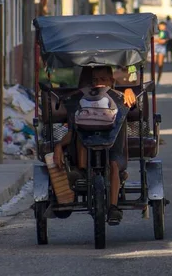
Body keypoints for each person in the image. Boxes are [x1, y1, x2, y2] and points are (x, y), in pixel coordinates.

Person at [53, 65, 136, 226]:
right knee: (80, 134)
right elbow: (72, 131)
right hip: (85, 148)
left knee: (113, 165)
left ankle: (113, 207)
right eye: (95, 80)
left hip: (113, 146)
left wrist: (129, 91)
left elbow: (132, 103)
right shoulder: (82, 99)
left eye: (103, 80)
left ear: (112, 81)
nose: (99, 84)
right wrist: (58, 146)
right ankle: (81, 174)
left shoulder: (119, 97)